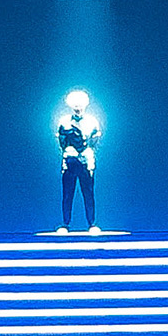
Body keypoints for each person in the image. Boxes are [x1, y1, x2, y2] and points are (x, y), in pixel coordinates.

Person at [56, 91, 102, 232]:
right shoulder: (64, 122)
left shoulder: (92, 122)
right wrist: (69, 154)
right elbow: (62, 142)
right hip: (70, 161)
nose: (78, 108)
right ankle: (65, 223)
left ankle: (91, 223)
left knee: (88, 193)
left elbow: (95, 140)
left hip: (85, 161)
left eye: (80, 105)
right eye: (75, 105)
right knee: (67, 194)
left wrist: (88, 154)